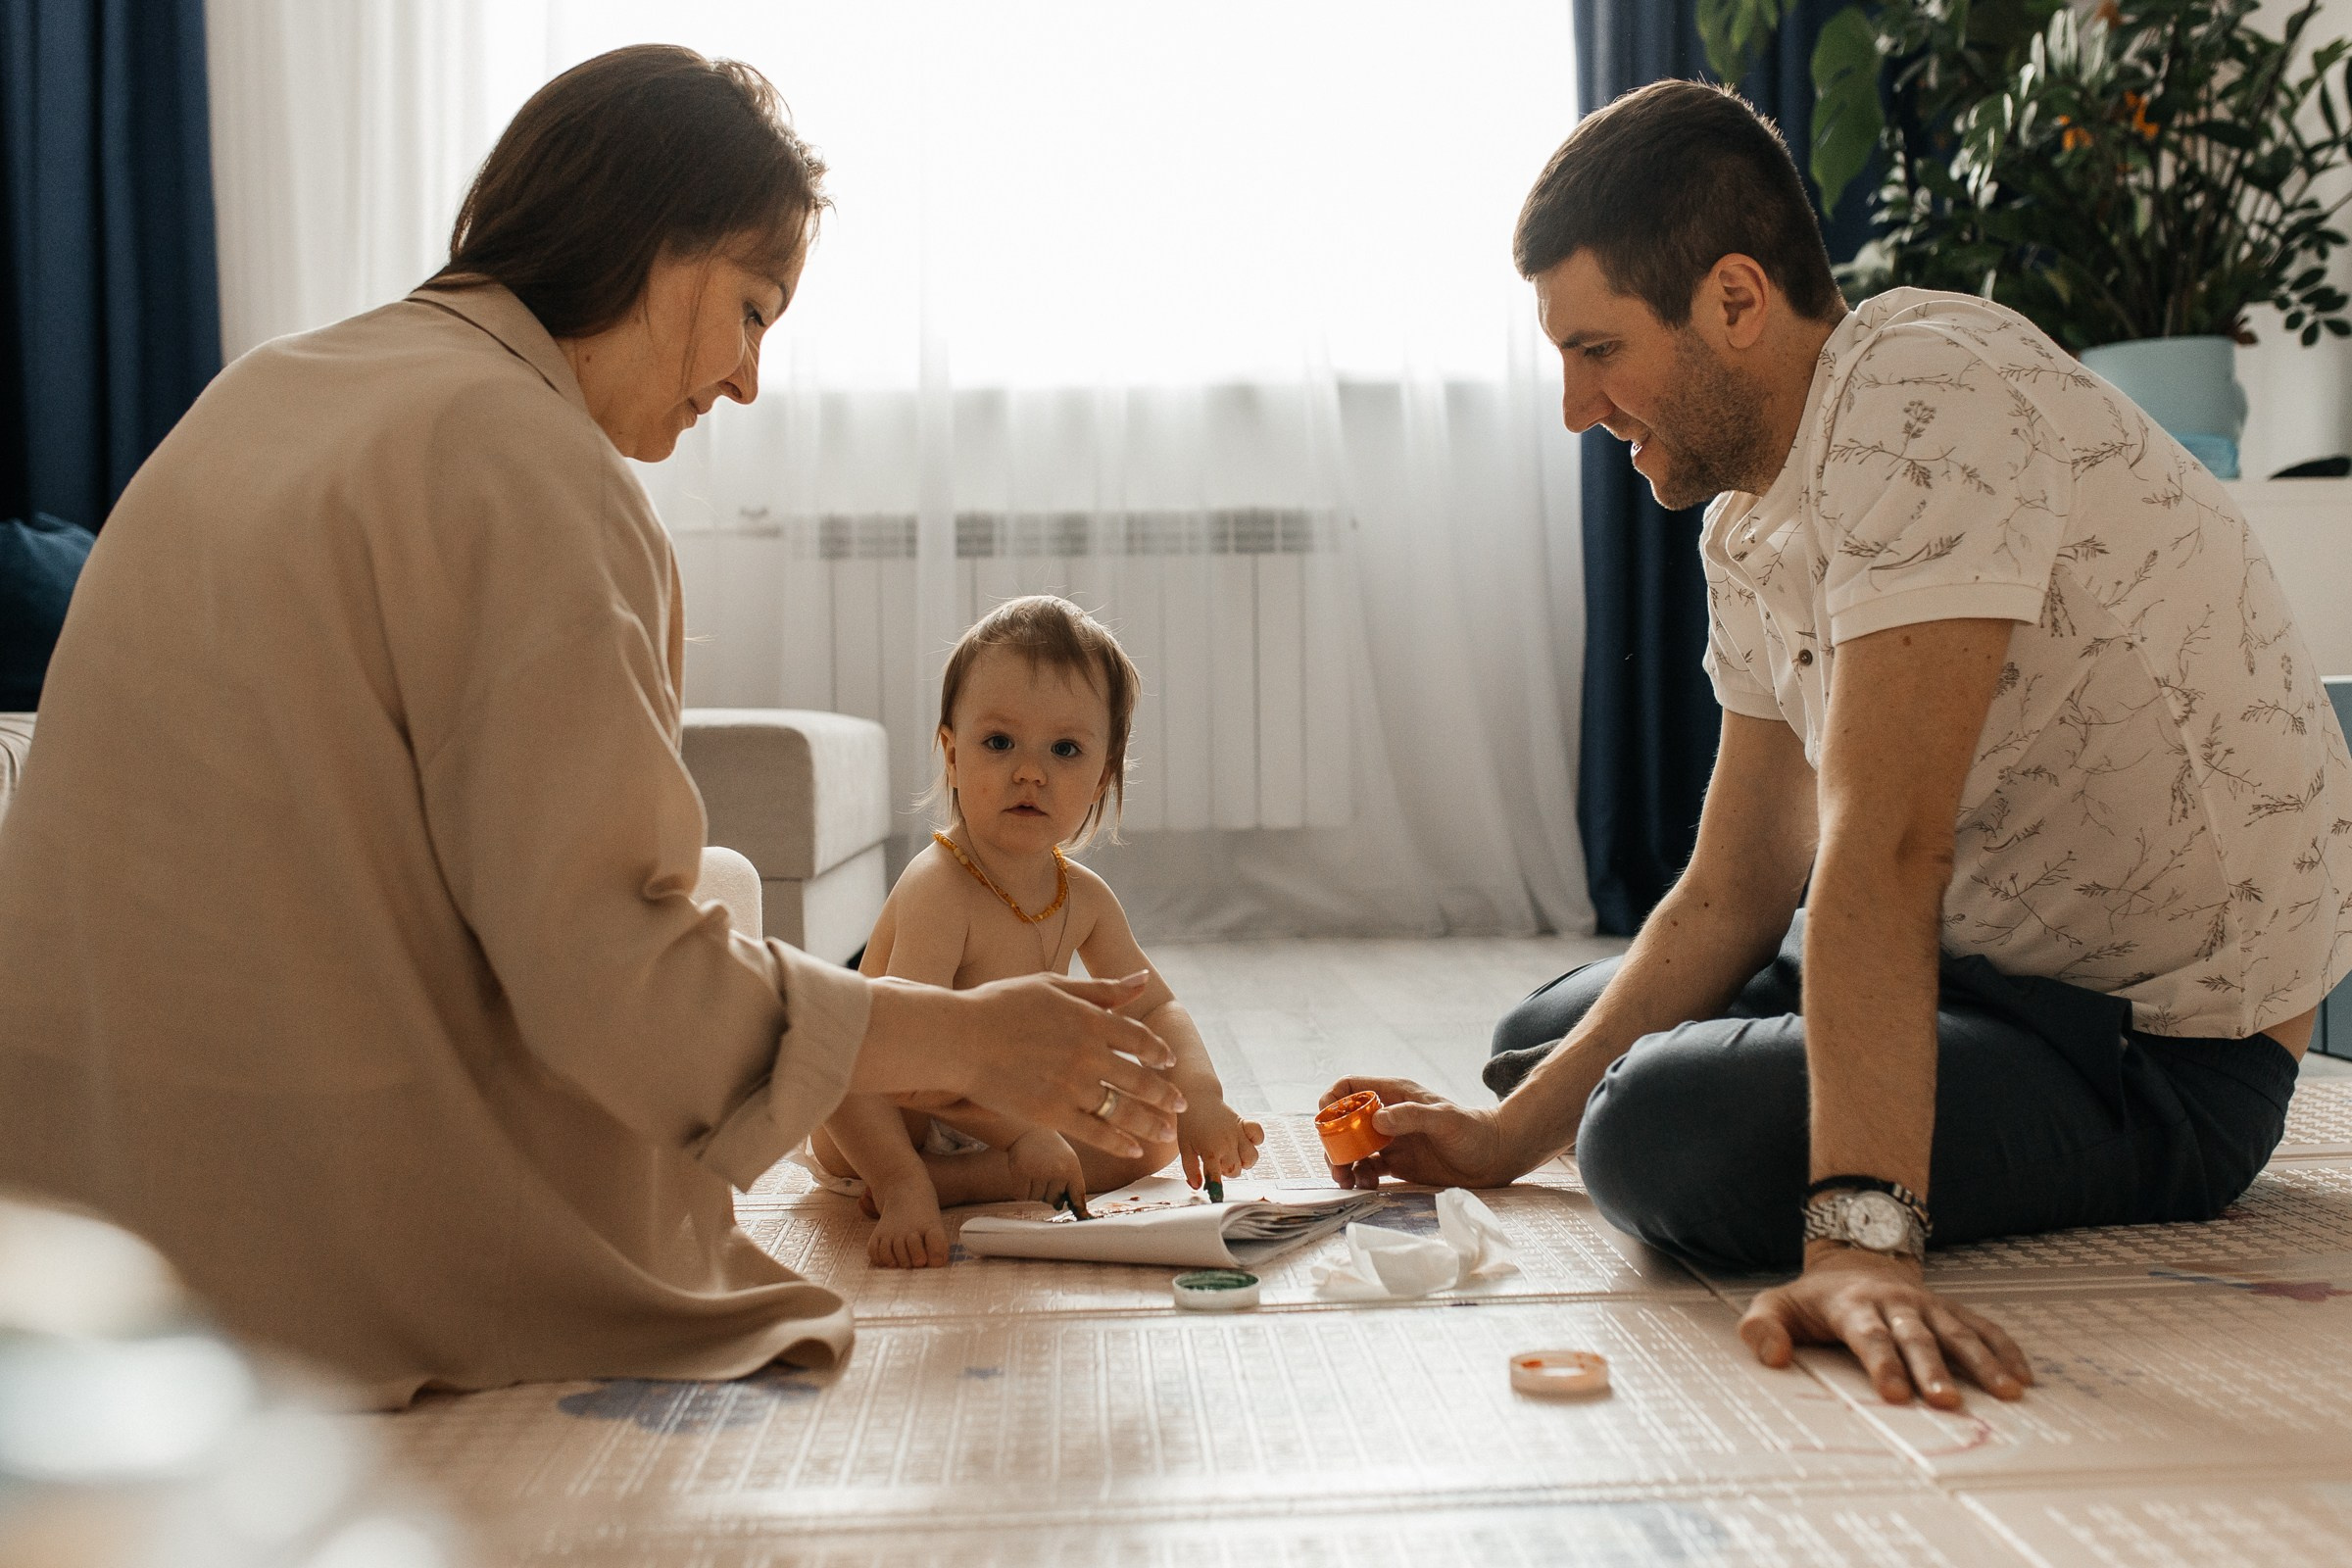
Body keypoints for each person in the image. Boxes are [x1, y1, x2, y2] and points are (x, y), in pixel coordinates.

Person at [0, 46, 1183, 1407]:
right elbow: (612, 979)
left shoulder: (271, 386)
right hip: (276, 1229)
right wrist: (973, 1041)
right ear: (658, 246)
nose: (745, 380)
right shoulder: (526, 458)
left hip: (60, 1203)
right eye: (751, 309)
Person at [1323, 79, 2352, 1411]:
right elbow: (1745, 879)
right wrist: (1505, 1142)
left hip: (2157, 1051)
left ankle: (1810, 1142)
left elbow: (1888, 844)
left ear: (1736, 301)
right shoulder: (1748, 515)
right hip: (1980, 973)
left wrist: (1859, 1246)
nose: (1577, 408)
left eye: (1598, 350)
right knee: (1542, 1048)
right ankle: (1627, 1096)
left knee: (1649, 1133)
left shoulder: (1926, 401)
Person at [810, 596, 1264, 1267]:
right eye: (999, 742)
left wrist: (1200, 1098)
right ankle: (905, 1182)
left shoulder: (1082, 896)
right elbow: (911, 1059)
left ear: (1102, 776)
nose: (1030, 770)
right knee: (836, 1059)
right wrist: (1021, 1133)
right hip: (892, 1110)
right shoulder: (940, 886)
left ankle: (961, 1182)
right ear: (952, 754)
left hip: (994, 1107)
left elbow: (1157, 1006)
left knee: (1155, 1134)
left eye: (1065, 749)